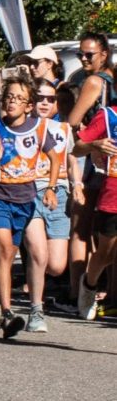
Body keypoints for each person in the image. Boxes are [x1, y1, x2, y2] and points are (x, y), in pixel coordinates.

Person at [0, 74, 59, 340]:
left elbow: (54, 158)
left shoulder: (39, 128)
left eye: (19, 98)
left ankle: (3, 305)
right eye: (9, 97)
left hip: (24, 200)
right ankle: (7, 312)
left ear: (29, 105)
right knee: (5, 247)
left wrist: (50, 188)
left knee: (9, 253)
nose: (13, 102)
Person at [24, 79, 79, 331]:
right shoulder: (21, 127)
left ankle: (35, 278)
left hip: (59, 195)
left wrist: (77, 184)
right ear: (30, 101)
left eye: (50, 99)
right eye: (39, 98)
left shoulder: (64, 129)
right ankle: (36, 310)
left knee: (56, 266)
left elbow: (71, 160)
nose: (45, 103)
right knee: (39, 253)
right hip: (28, 192)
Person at [74, 94, 117, 321]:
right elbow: (77, 147)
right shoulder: (108, 116)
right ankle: (89, 284)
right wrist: (95, 145)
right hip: (113, 195)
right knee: (106, 254)